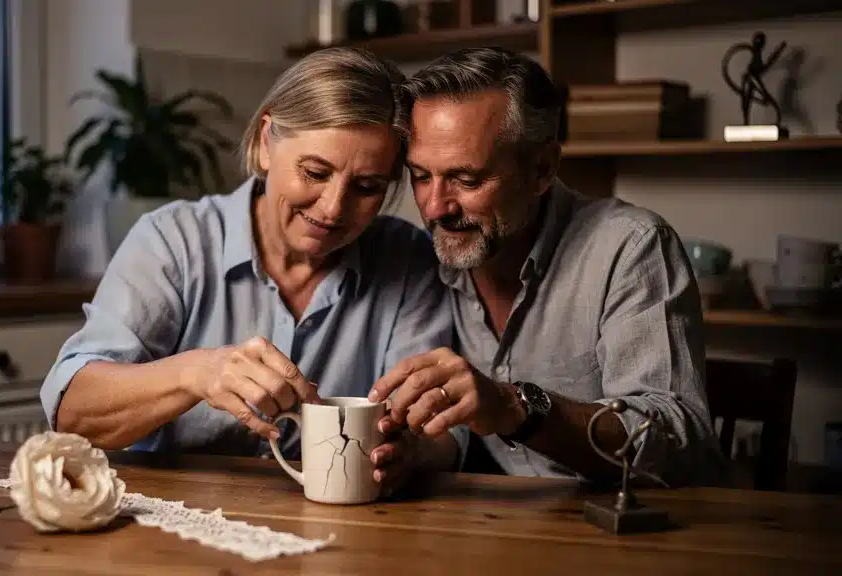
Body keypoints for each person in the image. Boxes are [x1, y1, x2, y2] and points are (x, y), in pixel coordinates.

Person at [40, 47, 464, 492]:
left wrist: (412, 452)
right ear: (266, 143)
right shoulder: (172, 241)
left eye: (367, 187)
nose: (334, 208)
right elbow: (73, 412)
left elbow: (439, 433)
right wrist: (195, 373)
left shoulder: (409, 259)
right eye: (315, 173)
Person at [368, 47, 725, 488]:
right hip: (497, 531)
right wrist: (417, 452)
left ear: (542, 169)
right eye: (421, 176)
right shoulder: (434, 256)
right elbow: (459, 435)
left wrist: (515, 407)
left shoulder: (630, 247)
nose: (435, 207)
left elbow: (677, 441)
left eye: (467, 179)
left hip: (631, 533)